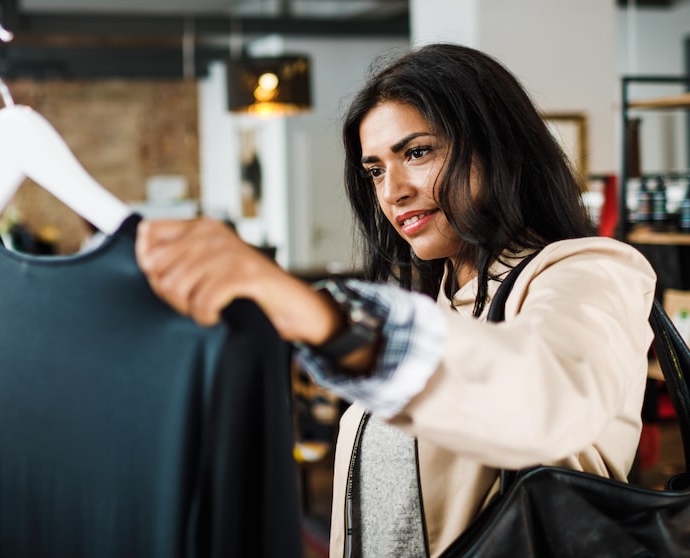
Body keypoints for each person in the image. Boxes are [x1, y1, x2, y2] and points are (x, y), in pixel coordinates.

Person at [135, 43, 656, 557]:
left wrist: (331, 319)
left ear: (498, 148)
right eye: (375, 170)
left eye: (416, 152)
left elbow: (547, 396)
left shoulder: (590, 272)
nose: (392, 191)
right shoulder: (436, 307)